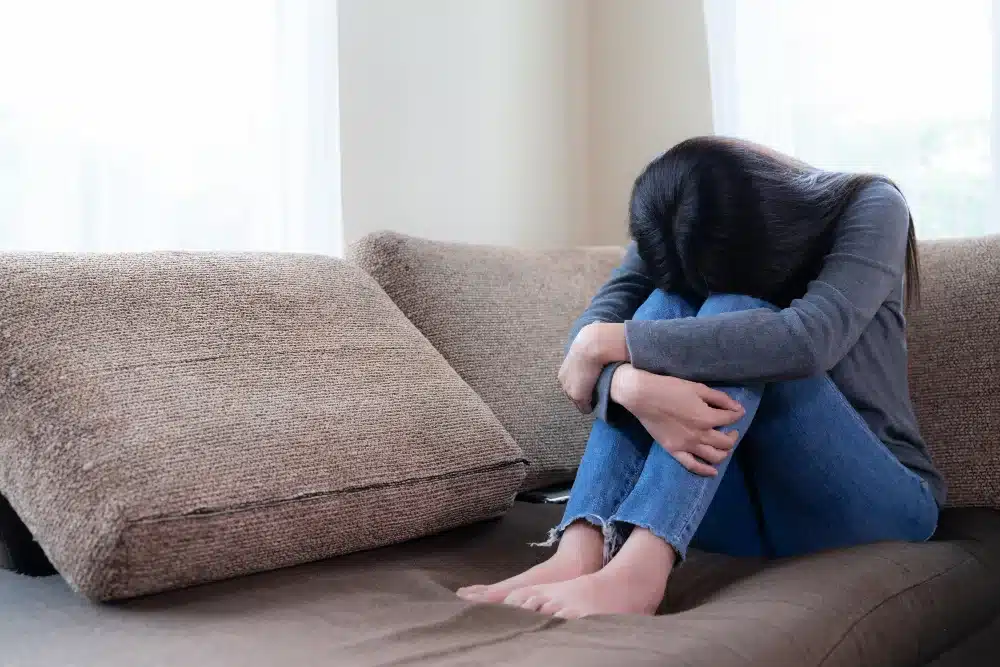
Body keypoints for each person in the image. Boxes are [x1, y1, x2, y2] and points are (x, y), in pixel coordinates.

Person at [456, 136, 945, 619]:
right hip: (735, 514)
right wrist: (629, 386)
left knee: (733, 311)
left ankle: (640, 574)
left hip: (873, 505)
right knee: (663, 305)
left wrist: (612, 347)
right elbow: (583, 349)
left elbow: (809, 340)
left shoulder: (872, 204)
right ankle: (580, 552)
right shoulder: (681, 215)